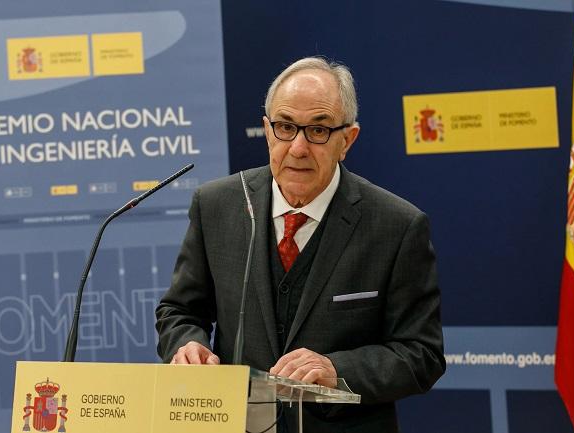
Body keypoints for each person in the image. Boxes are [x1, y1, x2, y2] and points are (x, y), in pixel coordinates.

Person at [155, 57, 445, 432]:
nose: (298, 148)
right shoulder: (217, 206)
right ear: (267, 129)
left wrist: (336, 369)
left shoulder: (397, 225)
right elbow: (179, 310)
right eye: (285, 127)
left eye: (319, 131)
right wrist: (188, 346)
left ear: (347, 140)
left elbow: (421, 354)